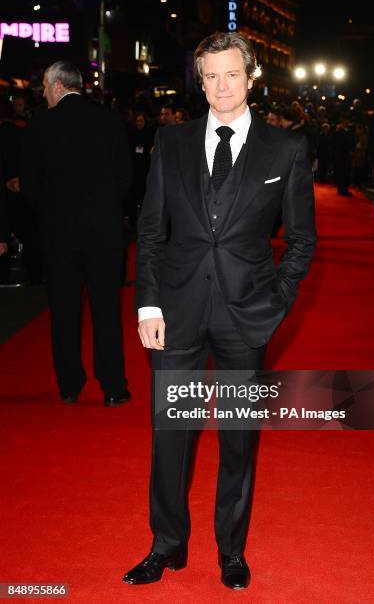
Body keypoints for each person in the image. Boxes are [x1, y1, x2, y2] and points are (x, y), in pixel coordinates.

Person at [124, 32, 316, 590]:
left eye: (232, 74)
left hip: (246, 317)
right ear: (200, 80)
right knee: (170, 436)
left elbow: (302, 239)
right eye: (211, 76)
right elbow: (152, 231)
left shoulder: (285, 149)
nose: (221, 87)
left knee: (238, 438)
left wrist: (277, 299)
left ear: (251, 77)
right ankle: (167, 545)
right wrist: (148, 304)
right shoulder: (172, 141)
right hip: (176, 313)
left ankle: (231, 550)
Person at [21, 61, 133, 407]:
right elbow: (127, 179)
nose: (43, 93)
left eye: (43, 86)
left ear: (56, 86)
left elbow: (30, 185)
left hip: (59, 236)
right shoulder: (110, 120)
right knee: (107, 312)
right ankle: (113, 387)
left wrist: (49, 216)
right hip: (105, 234)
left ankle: (69, 386)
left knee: (64, 313)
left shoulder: (40, 123)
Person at [332, 115, 355, 196]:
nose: (347, 122)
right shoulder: (339, 131)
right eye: (345, 121)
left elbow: (352, 141)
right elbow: (339, 144)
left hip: (347, 155)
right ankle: (341, 190)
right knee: (342, 173)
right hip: (342, 155)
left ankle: (344, 189)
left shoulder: (348, 131)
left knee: (346, 173)